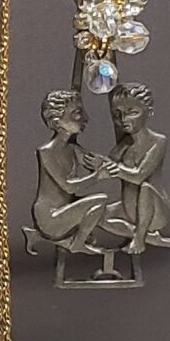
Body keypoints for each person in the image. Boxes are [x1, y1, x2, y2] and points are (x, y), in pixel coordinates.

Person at [26, 90, 115, 269]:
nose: (85, 119)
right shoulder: (47, 152)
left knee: (103, 209)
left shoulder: (73, 148)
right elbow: (68, 187)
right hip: (50, 217)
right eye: (77, 114)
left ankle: (79, 238)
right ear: (57, 122)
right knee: (100, 200)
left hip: (64, 209)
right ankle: (77, 243)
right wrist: (98, 176)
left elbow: (92, 161)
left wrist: (107, 163)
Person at [99, 83, 170, 259]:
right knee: (96, 214)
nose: (124, 119)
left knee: (145, 187)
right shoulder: (125, 143)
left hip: (154, 209)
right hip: (128, 206)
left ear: (149, 111)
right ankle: (148, 237)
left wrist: (113, 168)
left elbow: (139, 176)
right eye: (117, 114)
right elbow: (108, 163)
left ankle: (140, 237)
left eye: (132, 112)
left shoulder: (158, 141)